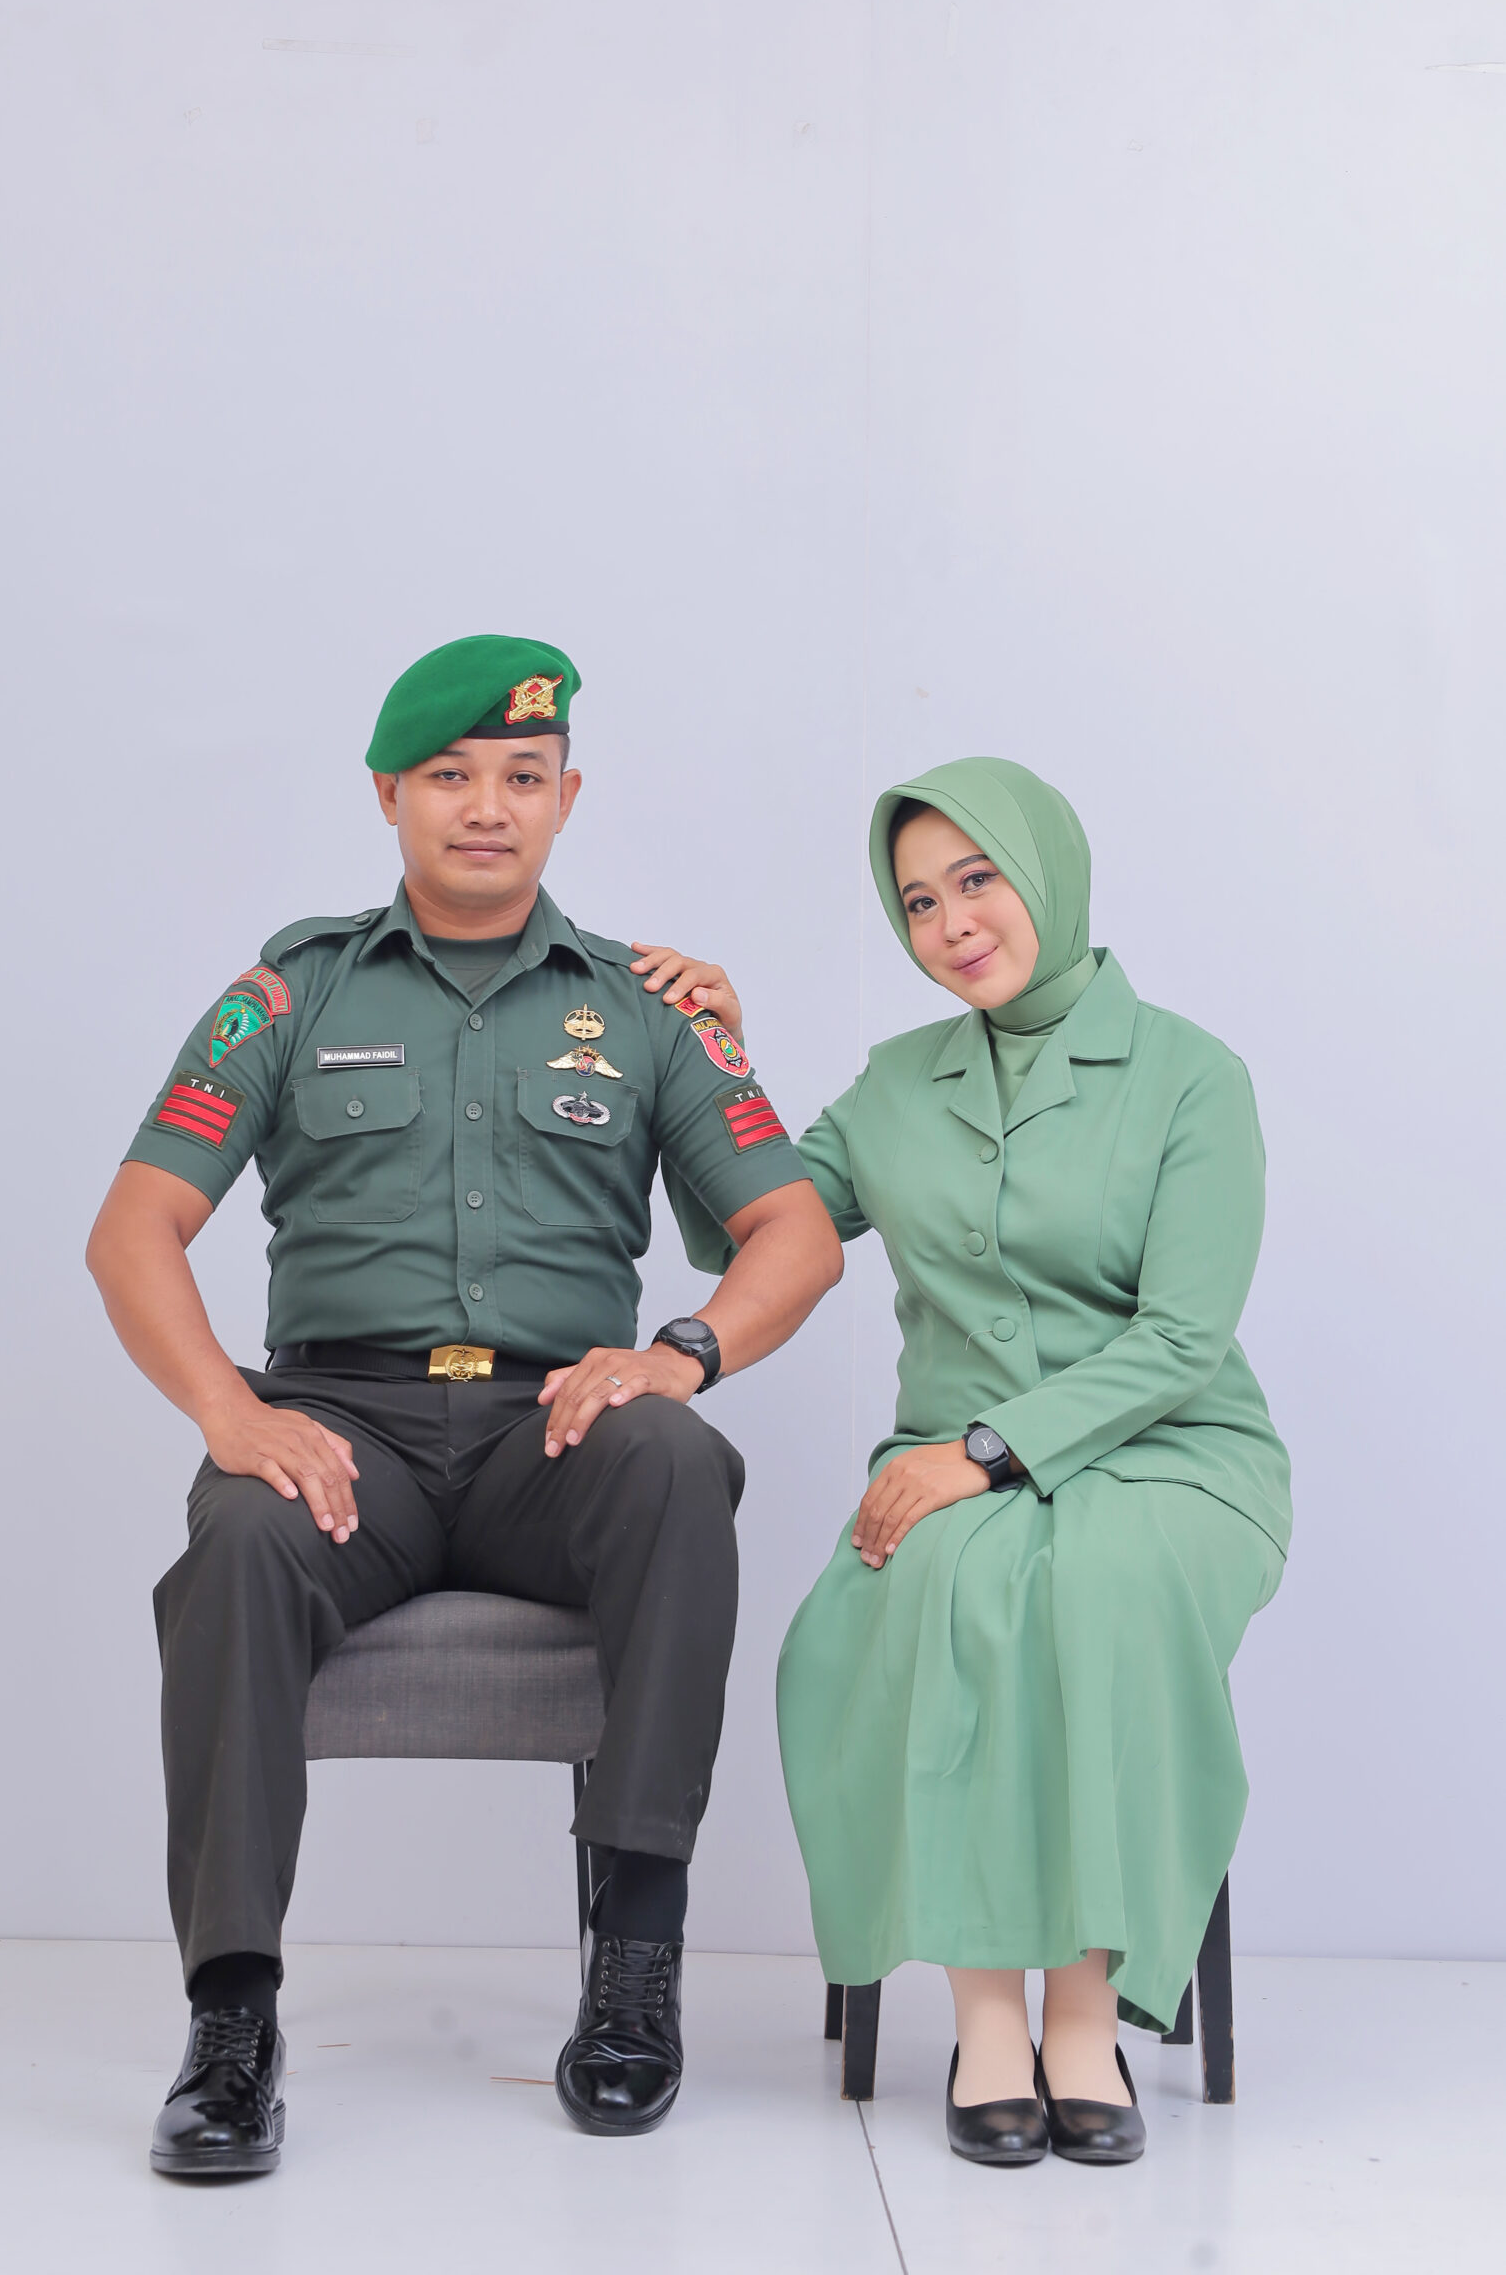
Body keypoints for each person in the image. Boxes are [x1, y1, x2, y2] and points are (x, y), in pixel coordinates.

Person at [85, 634, 842, 2174]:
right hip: (342, 1428)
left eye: (521, 777)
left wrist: (678, 1353)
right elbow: (133, 1228)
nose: (487, 807)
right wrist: (231, 1412)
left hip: (548, 1434)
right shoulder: (290, 991)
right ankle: (231, 2028)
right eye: (450, 775)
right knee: (237, 1532)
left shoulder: (649, 1009)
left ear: (568, 796)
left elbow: (798, 1231)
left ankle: (632, 1975)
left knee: (675, 1459)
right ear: (389, 795)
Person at [644, 758, 1291, 2168]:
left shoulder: (1191, 1076)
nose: (952, 924)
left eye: (978, 880)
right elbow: (757, 1229)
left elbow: (1183, 1339)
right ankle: (985, 2016)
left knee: (1104, 1585)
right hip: (949, 1461)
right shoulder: (896, 1087)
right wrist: (721, 1065)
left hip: (1174, 1456)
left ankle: (1085, 2016)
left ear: (1048, 872)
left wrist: (993, 1451)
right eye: (920, 901)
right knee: (951, 1585)